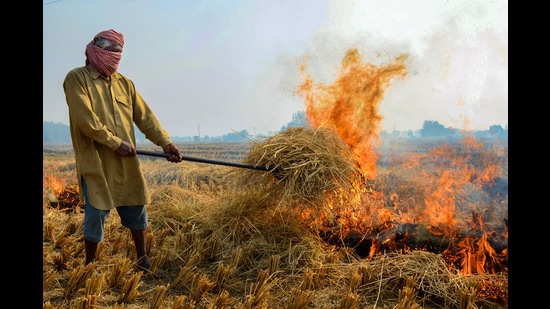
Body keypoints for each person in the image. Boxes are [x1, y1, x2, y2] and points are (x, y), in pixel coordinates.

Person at [63, 29, 183, 276]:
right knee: (96, 212)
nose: (115, 60)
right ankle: (89, 267)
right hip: (95, 161)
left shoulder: (125, 84)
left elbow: (145, 117)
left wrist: (165, 143)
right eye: (111, 54)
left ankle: (143, 261)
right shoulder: (77, 79)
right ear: (96, 53)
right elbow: (85, 120)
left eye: (119, 55)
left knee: (136, 206)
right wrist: (114, 142)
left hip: (126, 161)